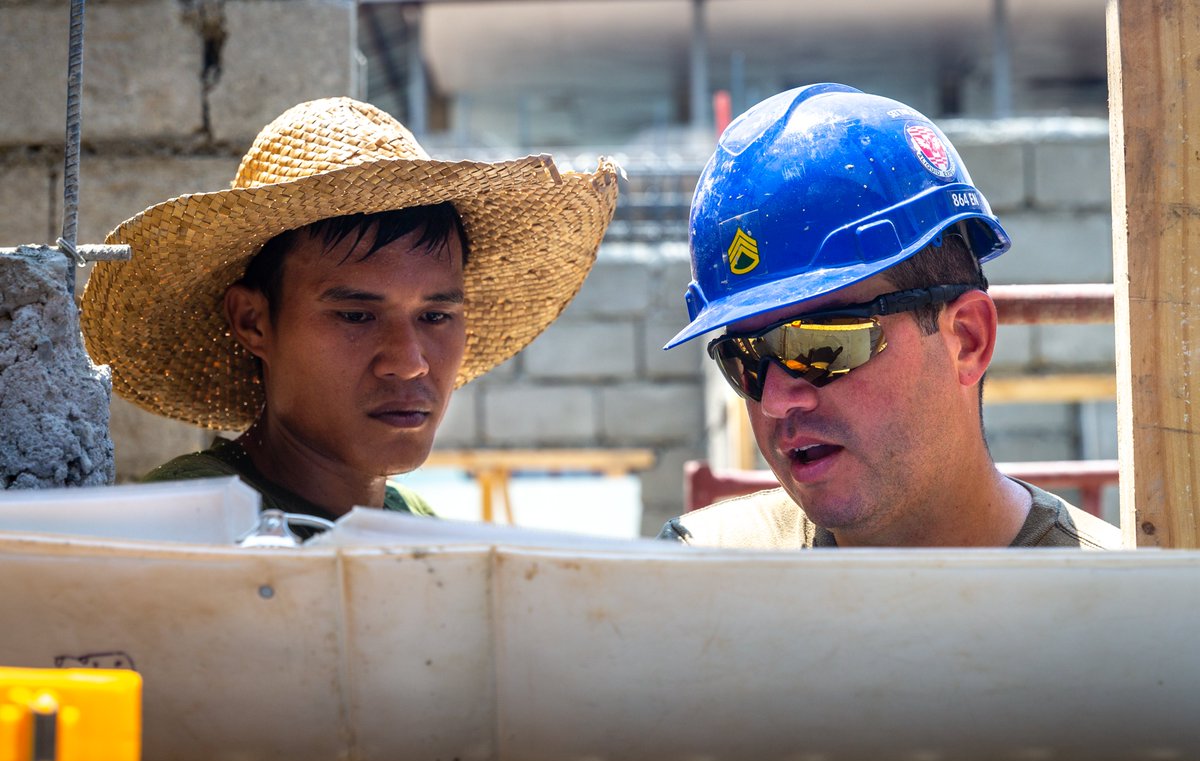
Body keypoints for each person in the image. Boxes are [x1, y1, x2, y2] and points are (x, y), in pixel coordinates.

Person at [81, 97, 618, 531]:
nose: (409, 363)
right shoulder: (184, 531)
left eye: (435, 316)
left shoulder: (415, 525)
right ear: (254, 322)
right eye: (356, 316)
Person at [658, 83, 1122, 549]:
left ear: (967, 340)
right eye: (744, 361)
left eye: (822, 346)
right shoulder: (699, 574)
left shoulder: (1127, 608)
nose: (775, 400)